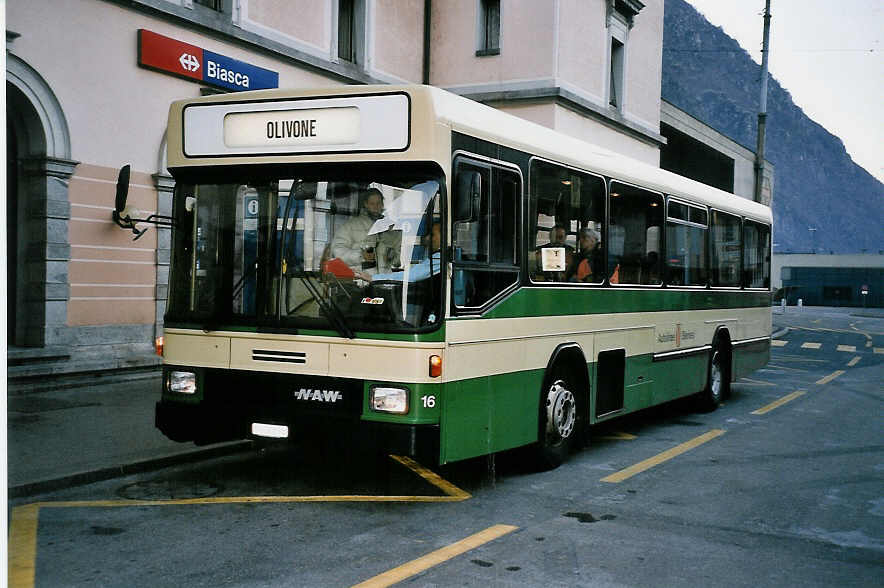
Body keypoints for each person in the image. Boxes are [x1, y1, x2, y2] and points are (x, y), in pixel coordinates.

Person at [330, 187, 400, 279]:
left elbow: (400, 257)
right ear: (366, 204)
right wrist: (360, 255)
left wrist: (392, 256)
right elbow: (337, 251)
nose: (376, 207)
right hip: (361, 281)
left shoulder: (390, 228)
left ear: (382, 204)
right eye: (372, 204)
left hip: (384, 281)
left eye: (378, 203)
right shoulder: (351, 225)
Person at [373, 222, 441, 282]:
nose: (427, 238)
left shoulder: (440, 257)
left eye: (432, 235)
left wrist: (375, 278)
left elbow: (413, 275)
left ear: (444, 236)